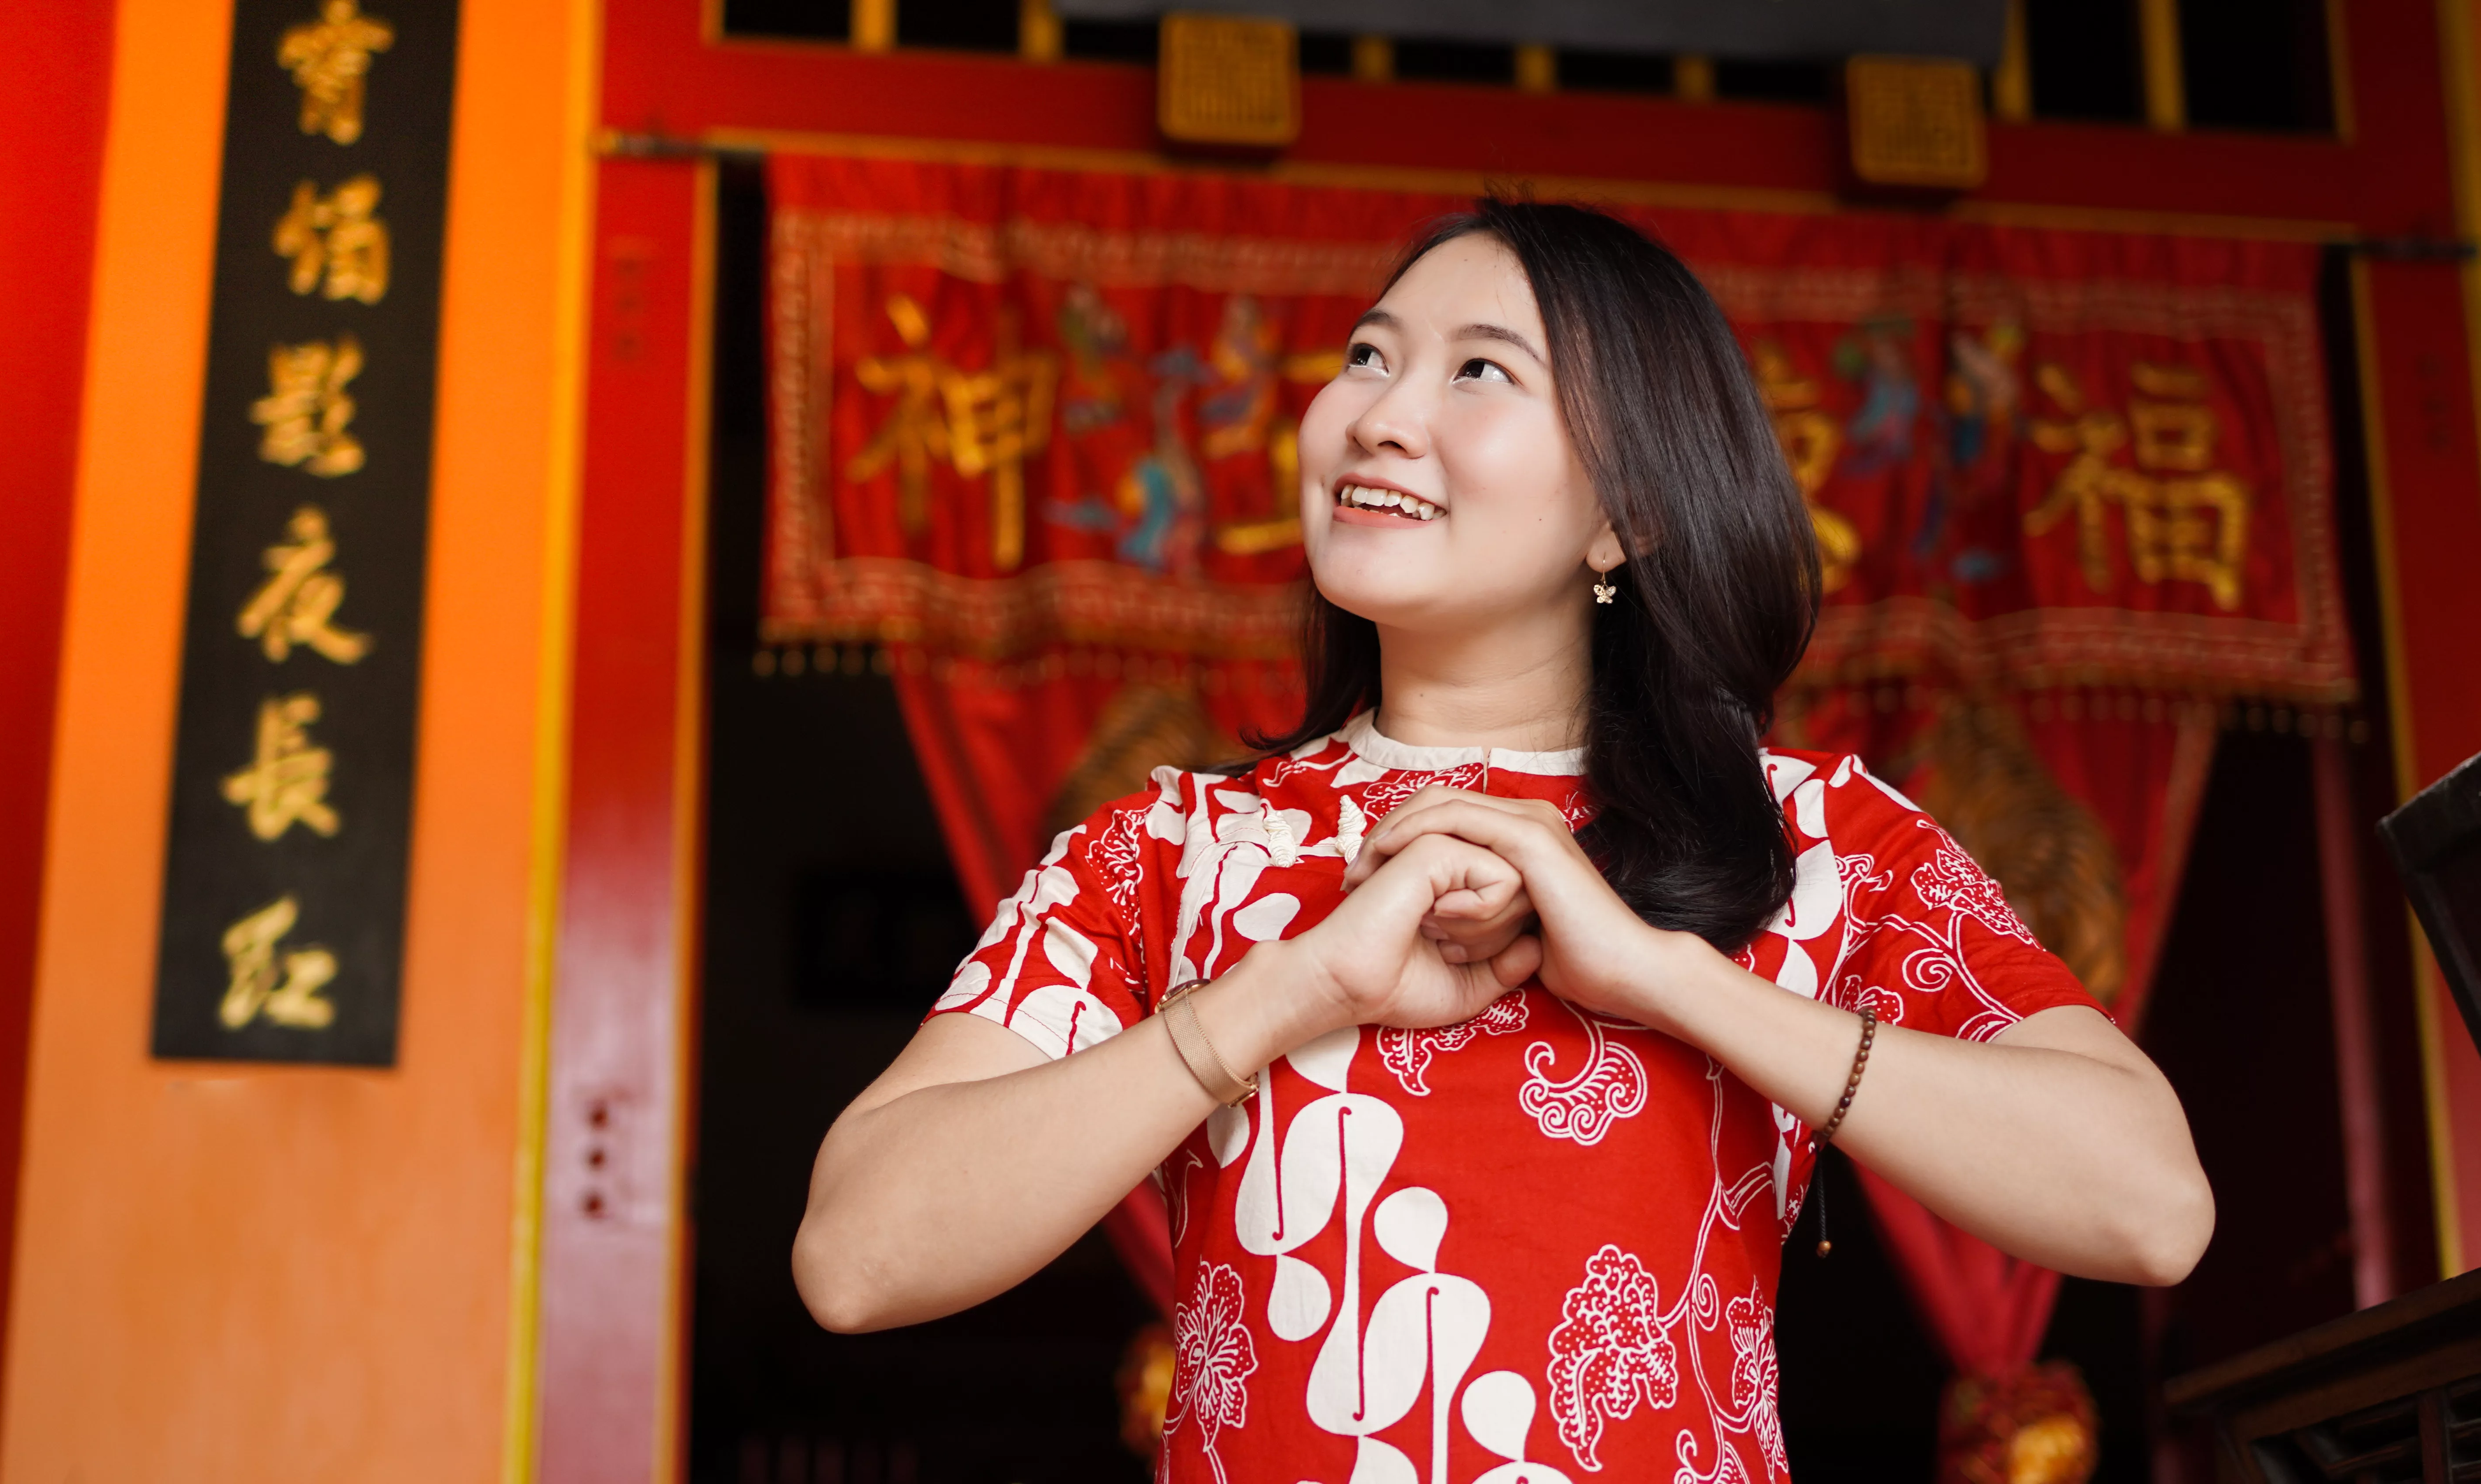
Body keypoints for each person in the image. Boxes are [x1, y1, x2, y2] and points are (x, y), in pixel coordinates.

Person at [793, 199, 2212, 1483]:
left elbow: (2149, 1206)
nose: (1380, 416)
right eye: (1366, 356)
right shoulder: (1170, 849)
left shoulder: (1808, 840)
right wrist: (1291, 992)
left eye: (1480, 370)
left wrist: (1671, 981)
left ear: (1626, 514)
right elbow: (855, 1257)